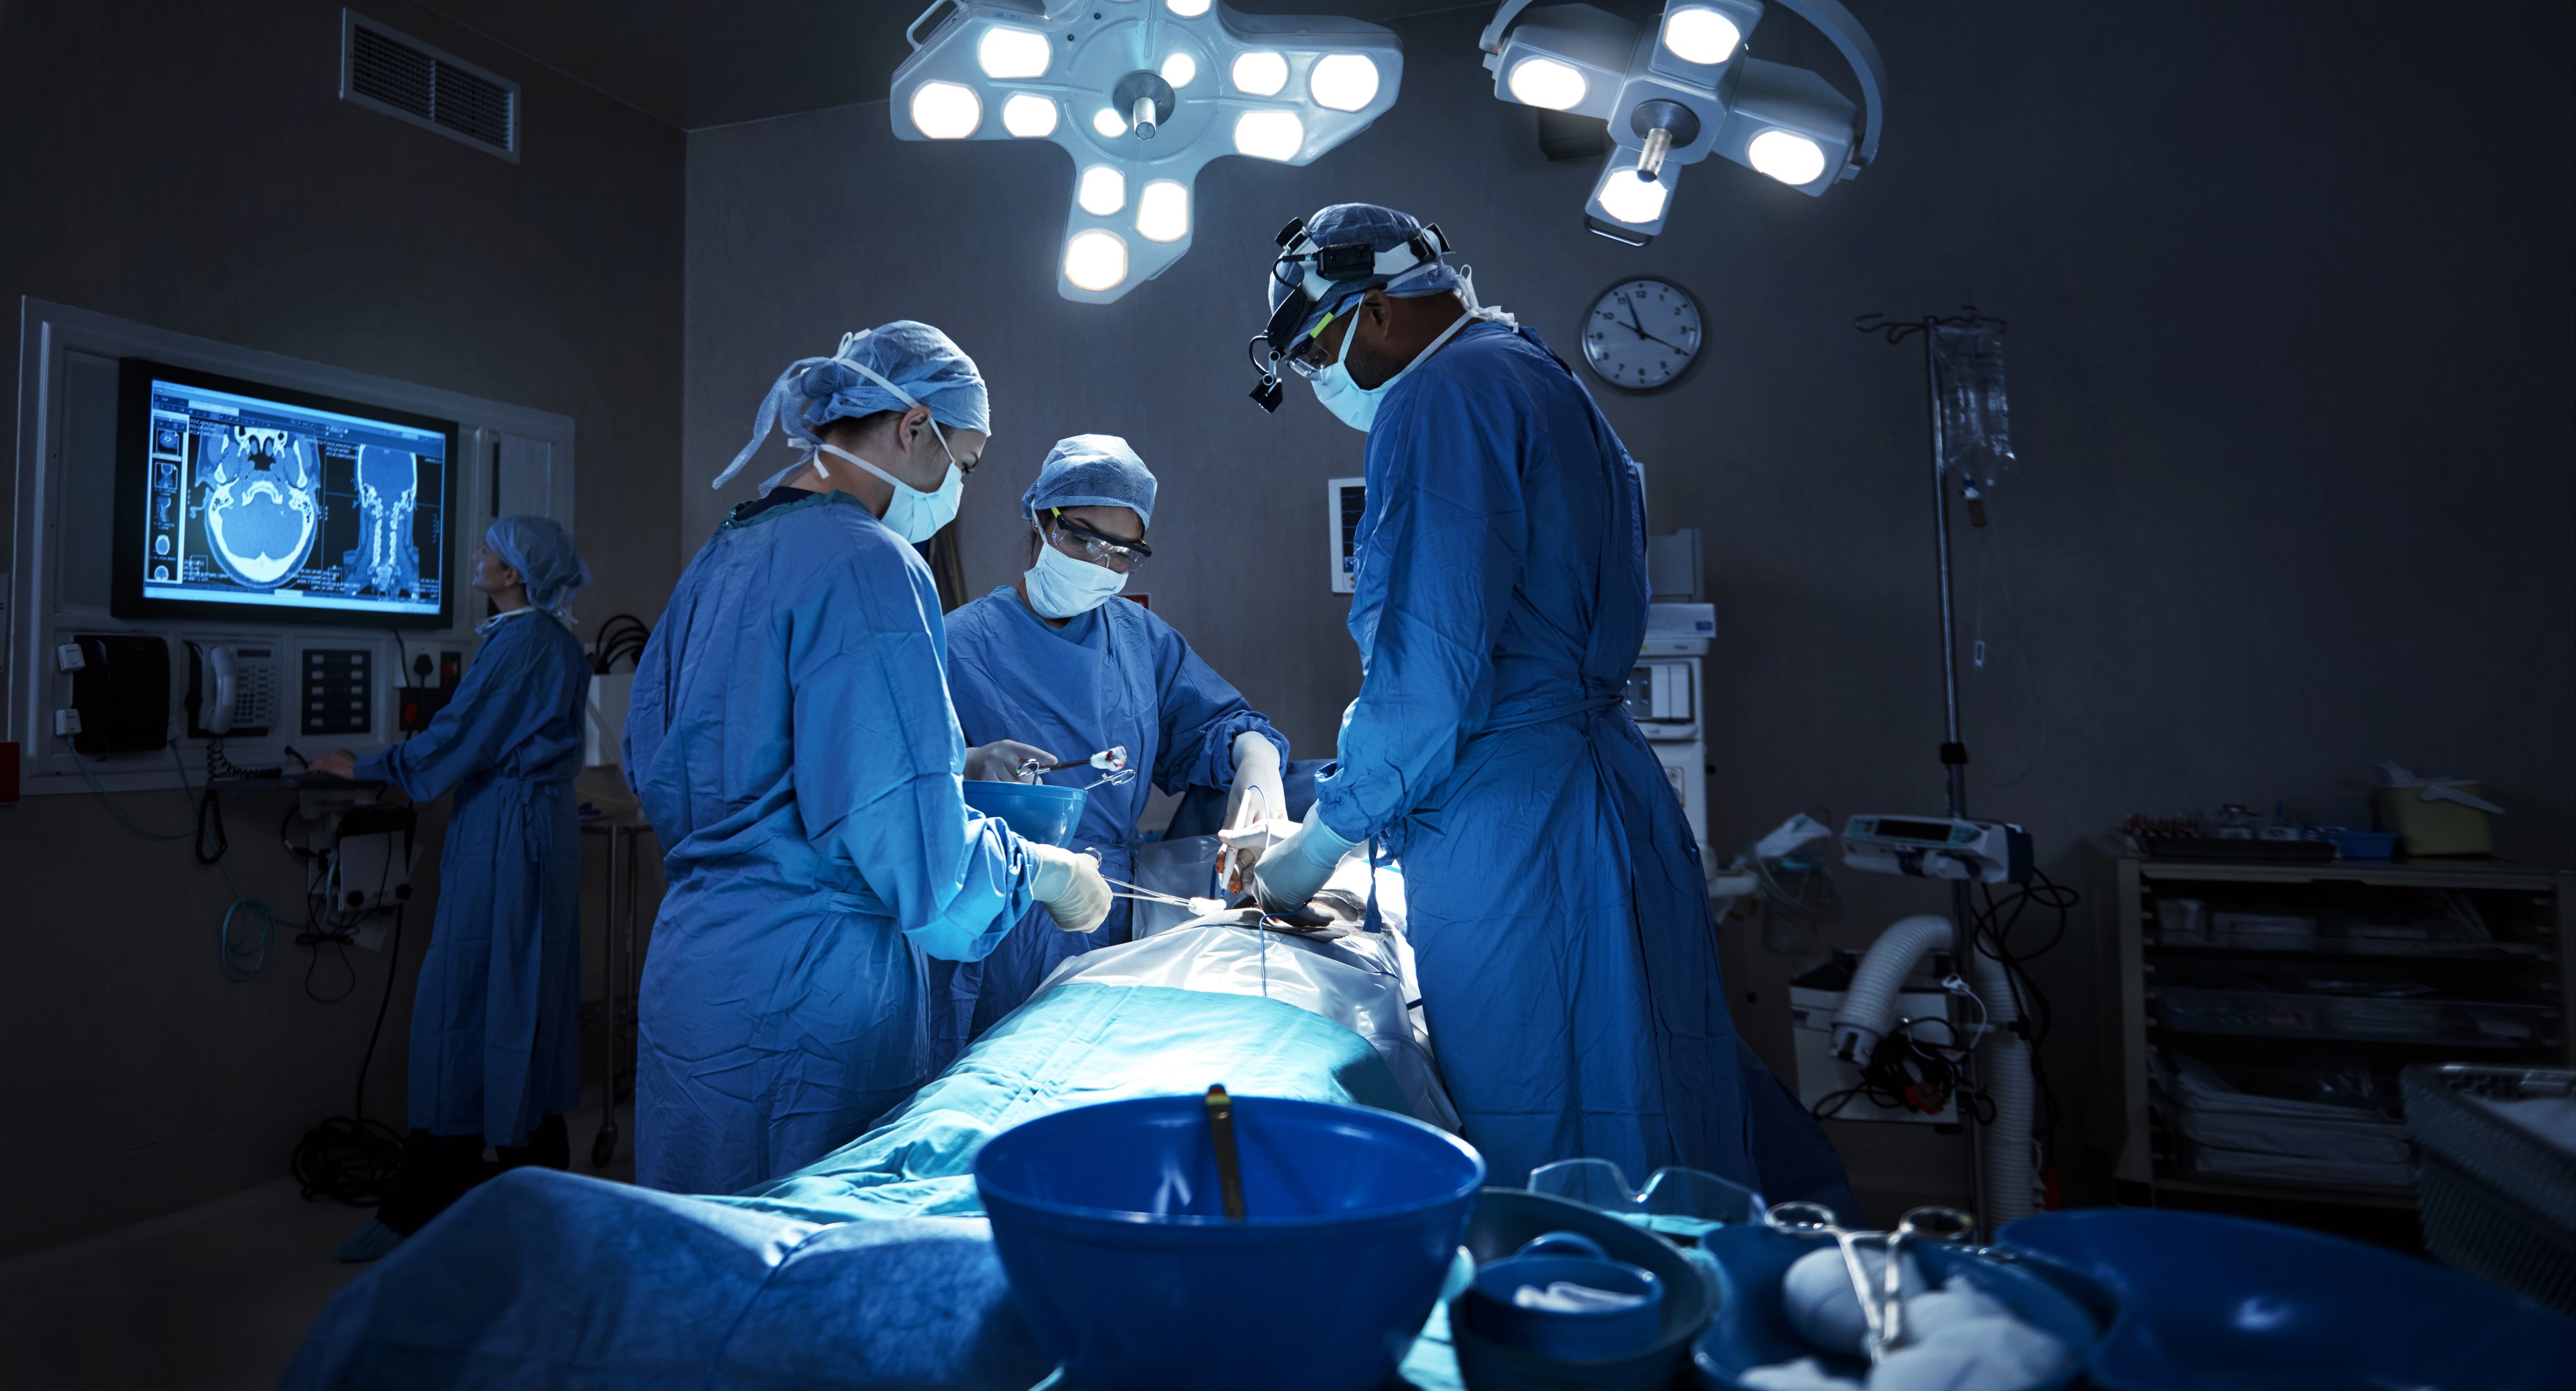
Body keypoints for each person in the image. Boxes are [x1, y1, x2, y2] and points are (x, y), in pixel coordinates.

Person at [1231, 204, 1855, 1213]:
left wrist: (1319, 841)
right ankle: (1684, 1319)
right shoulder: (1540, 376)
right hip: (1604, 795)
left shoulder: (1442, 397)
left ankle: (1578, 1336)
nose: (1318, 381)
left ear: (1378, 309)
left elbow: (1428, 673)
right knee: (1661, 1093)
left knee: (1558, 1128)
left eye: (1315, 352)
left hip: (1518, 830)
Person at [623, 321, 1112, 1196]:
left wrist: (952, 771)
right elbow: (921, 871)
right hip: (808, 999)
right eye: (964, 462)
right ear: (913, 425)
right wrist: (1046, 872)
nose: (959, 486)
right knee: (804, 1276)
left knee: (697, 1267)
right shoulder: (870, 563)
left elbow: (695, 761)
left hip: (695, 979)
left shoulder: (724, 551)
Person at [932, 435, 1288, 1062]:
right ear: (1042, 520)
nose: (1101, 564)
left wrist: (1257, 766)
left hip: (1118, 924)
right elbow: (899, 785)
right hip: (999, 927)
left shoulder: (1138, 640)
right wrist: (965, 766)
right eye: (1083, 539)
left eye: (1123, 553)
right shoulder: (955, 645)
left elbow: (1218, 727)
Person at [320, 515, 594, 1261]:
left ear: (517, 574)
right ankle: (532, 1191)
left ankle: (436, 1202)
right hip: (525, 827)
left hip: (511, 834)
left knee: (477, 995)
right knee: (517, 998)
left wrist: (371, 767)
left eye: (491, 553)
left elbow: (462, 736)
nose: (477, 558)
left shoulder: (529, 643)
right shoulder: (543, 642)